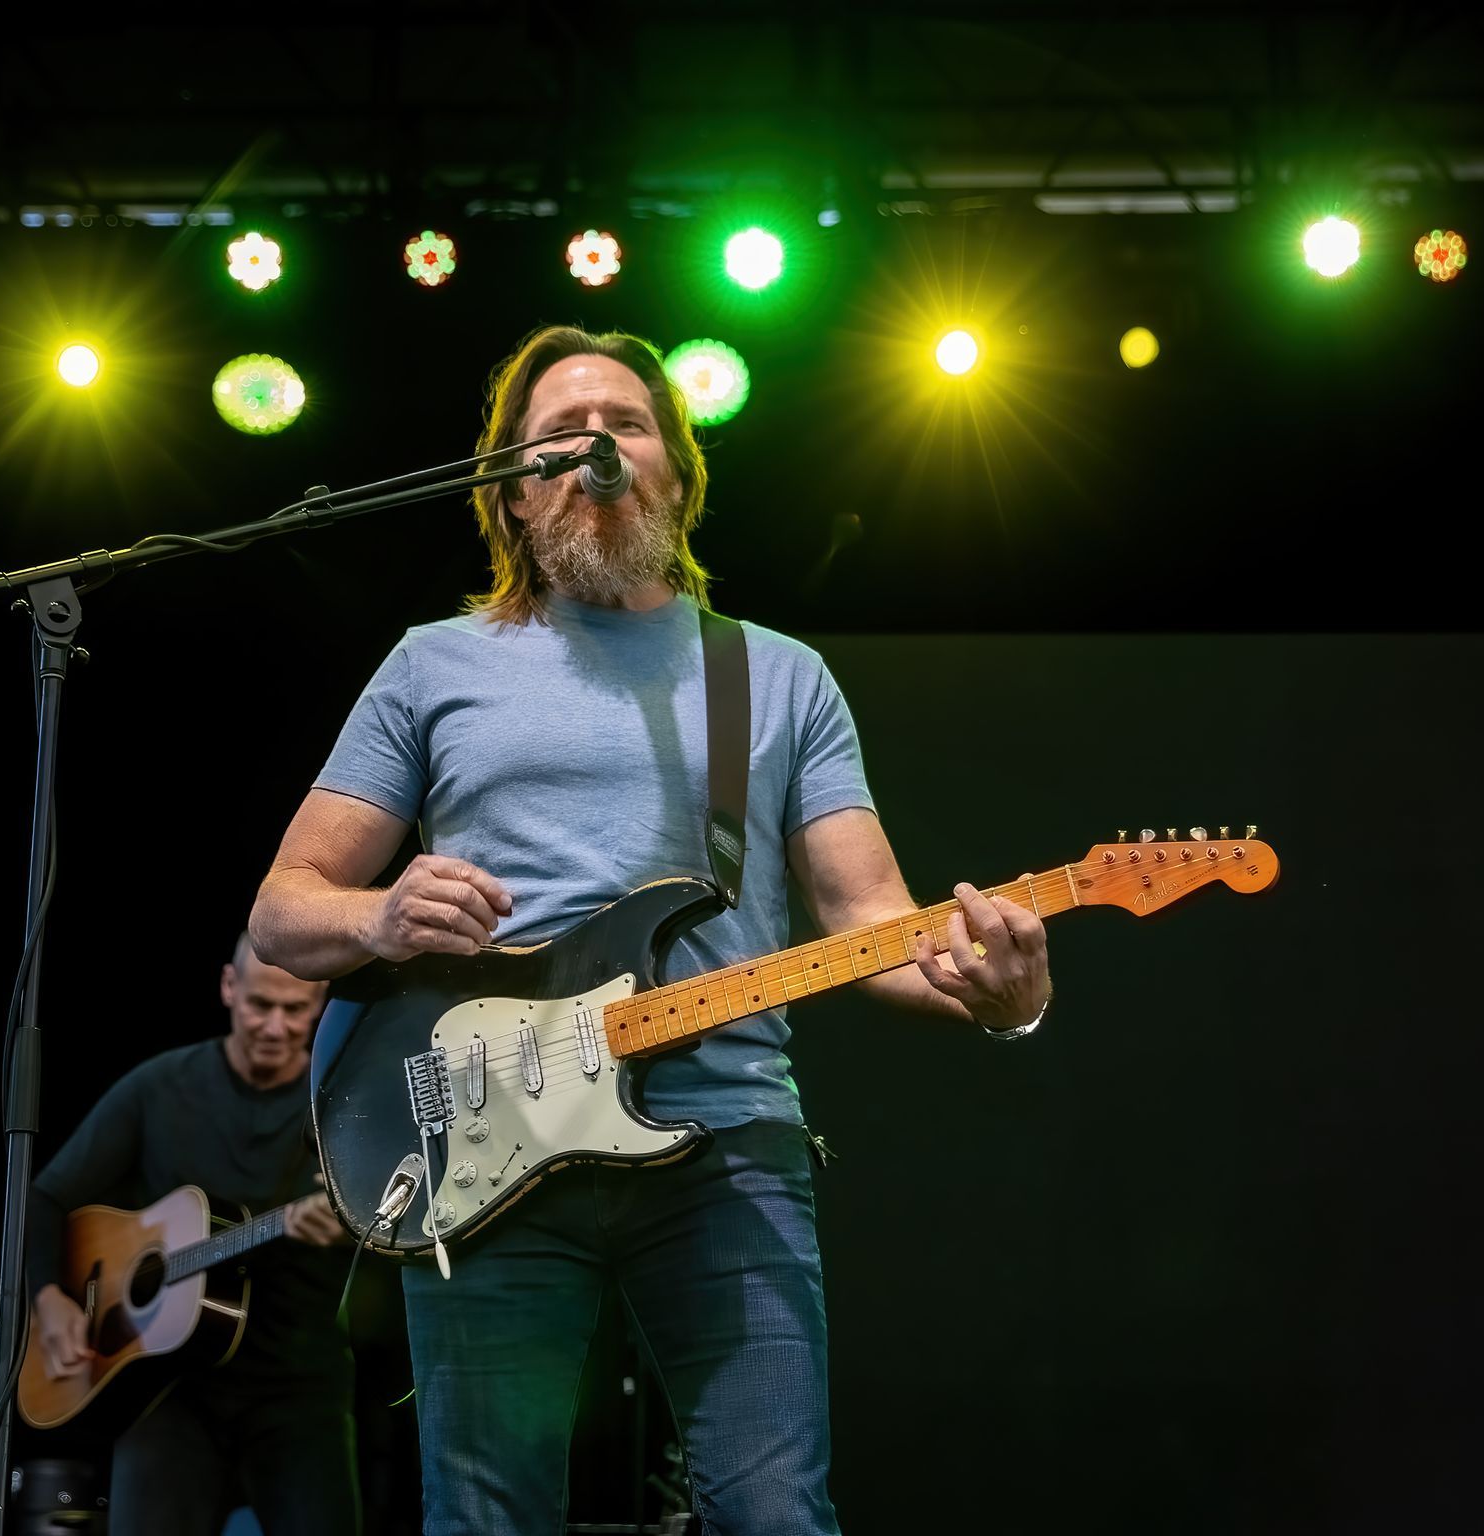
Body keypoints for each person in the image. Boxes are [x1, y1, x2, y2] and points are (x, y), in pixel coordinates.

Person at [248, 325, 1052, 1535]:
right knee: (485, 1515)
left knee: (773, 1511)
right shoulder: (432, 666)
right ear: (512, 493)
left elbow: (874, 922)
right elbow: (282, 913)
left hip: (730, 1142)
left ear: (675, 469)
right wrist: (382, 909)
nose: (596, 449)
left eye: (625, 426)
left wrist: (1001, 996)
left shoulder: (777, 677)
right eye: (560, 437)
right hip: (482, 1148)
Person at [26, 934, 361, 1536]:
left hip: (299, 1387)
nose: (276, 1026)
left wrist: (353, 1226)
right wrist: (48, 1297)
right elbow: (48, 1197)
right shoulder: (159, 1087)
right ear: (229, 989)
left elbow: (397, 1213)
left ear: (320, 1003)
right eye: (261, 1004)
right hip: (167, 1393)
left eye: (294, 1009)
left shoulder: (342, 1105)